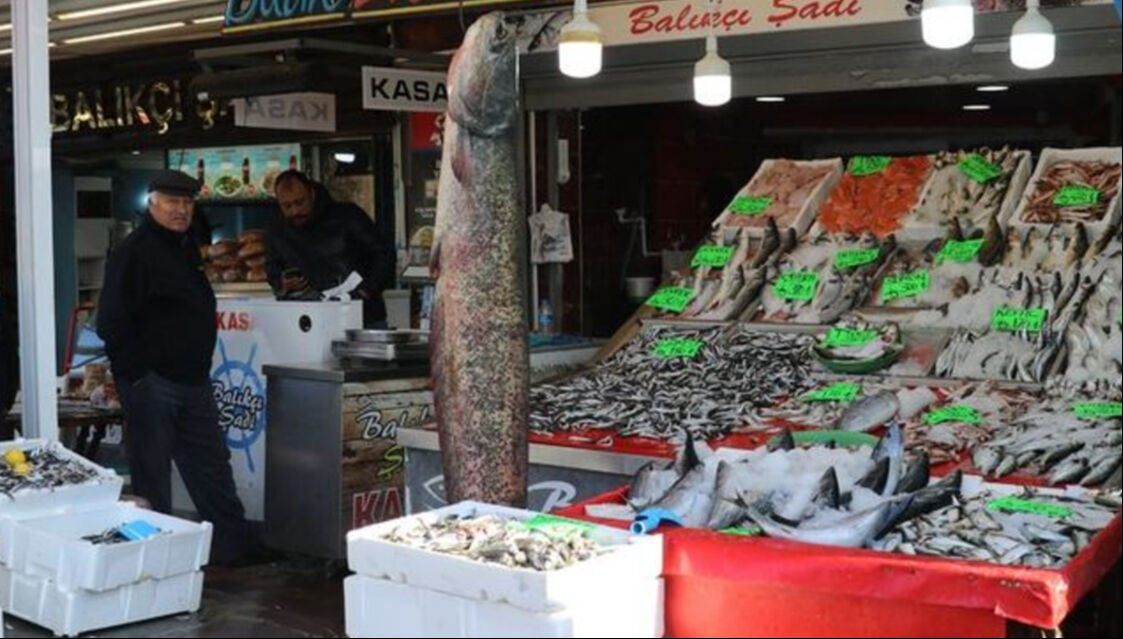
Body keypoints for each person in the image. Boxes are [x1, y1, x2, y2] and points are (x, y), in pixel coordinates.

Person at [97, 170, 253, 565]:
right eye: (171, 202)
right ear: (152, 204)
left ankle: (233, 550)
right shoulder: (133, 251)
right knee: (152, 475)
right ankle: (156, 560)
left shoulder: (185, 246)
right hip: (152, 381)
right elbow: (111, 322)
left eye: (186, 202)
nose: (180, 209)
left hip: (194, 379)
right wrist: (136, 375)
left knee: (212, 467)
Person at [266, 170, 393, 328]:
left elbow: (383, 253)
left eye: (300, 202)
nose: (295, 211)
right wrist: (281, 281)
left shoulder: (348, 215)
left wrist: (367, 290)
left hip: (362, 315)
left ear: (312, 194)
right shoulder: (277, 230)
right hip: (307, 320)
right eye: (286, 206)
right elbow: (272, 266)